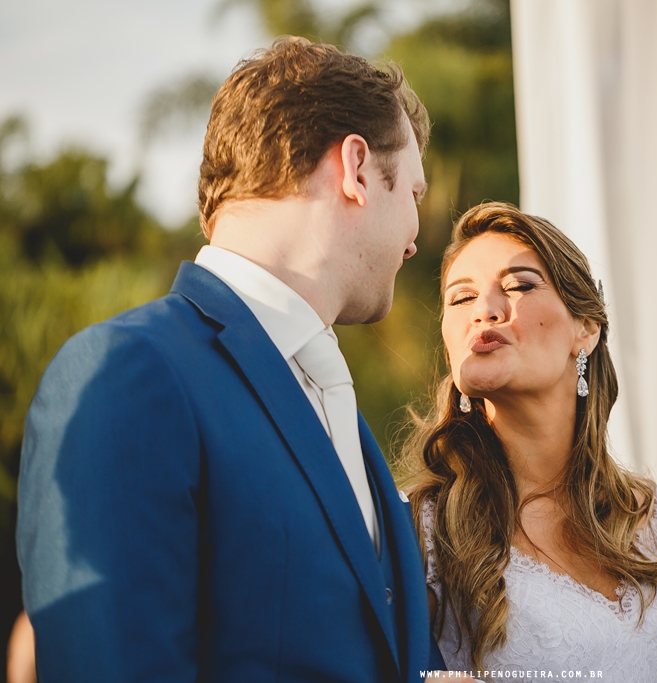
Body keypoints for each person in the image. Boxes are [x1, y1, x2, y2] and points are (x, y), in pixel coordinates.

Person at [17, 37, 445, 682]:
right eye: (413, 191)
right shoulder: (130, 373)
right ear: (355, 169)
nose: (416, 237)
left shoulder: (332, 403)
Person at [399, 202, 657, 680]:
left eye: (519, 285)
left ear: (584, 329)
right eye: (460, 298)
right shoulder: (422, 534)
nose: (485, 310)